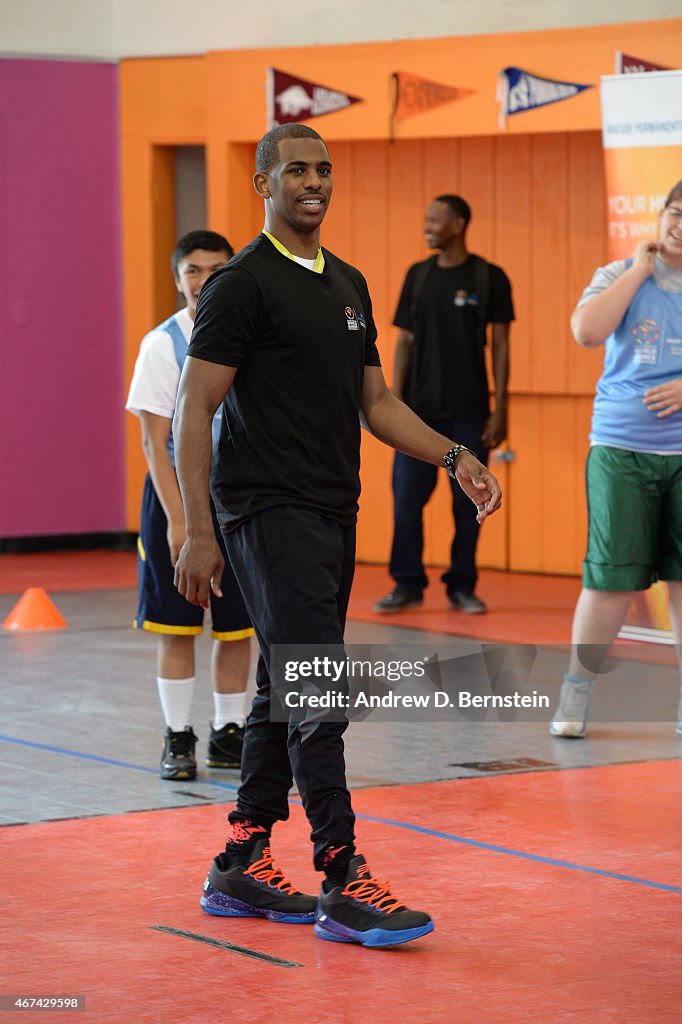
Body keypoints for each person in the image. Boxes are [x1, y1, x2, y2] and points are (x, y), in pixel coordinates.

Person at [172, 124, 502, 948]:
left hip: (330, 509)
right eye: (295, 170)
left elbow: (378, 405)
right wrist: (197, 531)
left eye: (322, 169)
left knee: (289, 684)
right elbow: (193, 408)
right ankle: (342, 874)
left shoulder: (348, 285)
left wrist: (456, 455)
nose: (313, 181)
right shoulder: (241, 284)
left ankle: (241, 859)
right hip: (262, 507)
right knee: (319, 685)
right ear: (263, 184)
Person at [551, 180, 682, 739]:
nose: (681, 224)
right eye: (676, 212)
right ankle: (576, 692)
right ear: (660, 215)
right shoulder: (619, 273)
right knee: (609, 581)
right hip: (620, 449)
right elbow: (586, 331)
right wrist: (636, 270)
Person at [126, 230, 254, 780]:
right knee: (176, 626)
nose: (204, 280)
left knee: (238, 628)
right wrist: (179, 521)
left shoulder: (251, 340)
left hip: (240, 503)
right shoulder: (163, 344)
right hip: (177, 503)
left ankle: (231, 733)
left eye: (216, 268)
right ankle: (178, 736)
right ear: (177, 279)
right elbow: (155, 442)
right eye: (193, 270)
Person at [374, 195, 514, 615]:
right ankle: (407, 583)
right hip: (418, 414)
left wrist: (500, 407)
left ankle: (461, 585)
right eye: (426, 219)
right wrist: (392, 403)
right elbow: (404, 341)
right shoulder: (418, 276)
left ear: (459, 224)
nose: (427, 226)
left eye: (435, 220)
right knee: (406, 501)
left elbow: (502, 347)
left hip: (470, 412)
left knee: (469, 503)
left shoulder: (489, 278)